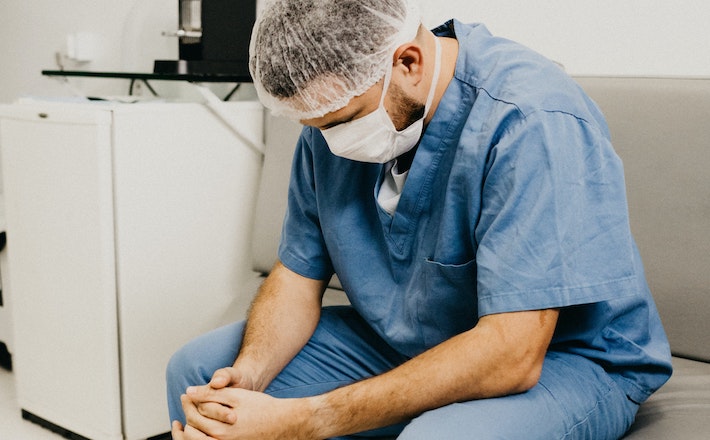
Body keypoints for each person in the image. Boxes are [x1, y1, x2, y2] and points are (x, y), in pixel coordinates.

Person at [167, 0, 673, 438]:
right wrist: (249, 377)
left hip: (567, 359)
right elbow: (297, 277)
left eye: (342, 123)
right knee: (200, 376)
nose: (332, 142)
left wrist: (304, 420)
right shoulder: (335, 117)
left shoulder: (530, 119)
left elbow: (512, 354)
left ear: (407, 61)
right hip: (410, 339)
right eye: (317, 127)